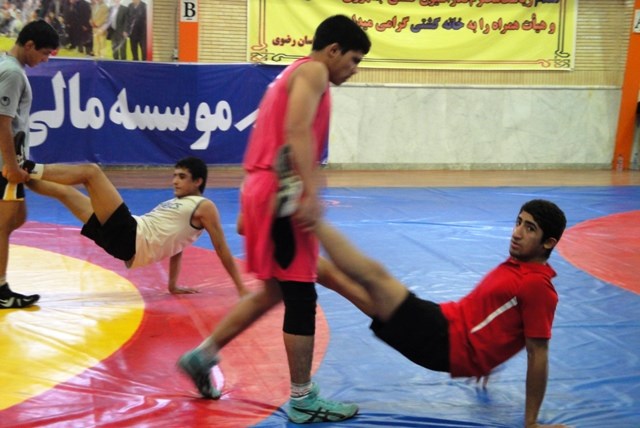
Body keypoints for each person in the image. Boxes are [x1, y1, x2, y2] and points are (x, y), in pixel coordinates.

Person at [177, 15, 371, 424]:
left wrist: (253, 204)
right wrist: (310, 192)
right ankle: (302, 398)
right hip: (282, 191)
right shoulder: (314, 72)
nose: (354, 70)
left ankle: (202, 355)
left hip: (263, 187)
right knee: (300, 294)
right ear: (333, 50)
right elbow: (297, 130)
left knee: (273, 291)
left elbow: (273, 137)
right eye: (354, 60)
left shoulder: (291, 73)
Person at [313, 199, 569, 428]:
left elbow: (538, 352)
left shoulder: (536, 286)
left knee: (373, 276)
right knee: (342, 283)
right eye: (518, 222)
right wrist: (486, 356)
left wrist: (531, 422)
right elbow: (498, 316)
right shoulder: (519, 265)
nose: (517, 233)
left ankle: (309, 218)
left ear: (548, 243)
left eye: (529, 228)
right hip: (442, 325)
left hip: (443, 338)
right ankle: (299, 256)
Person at [21, 157, 249, 296]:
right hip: (124, 243)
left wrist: (240, 287)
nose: (174, 181)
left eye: (182, 176)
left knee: (91, 172)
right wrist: (172, 285)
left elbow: (221, 248)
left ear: (198, 181)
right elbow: (177, 246)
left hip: (131, 236)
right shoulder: (179, 205)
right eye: (174, 176)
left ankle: (29, 167)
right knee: (65, 192)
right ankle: (19, 176)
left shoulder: (204, 206)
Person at [0, 19, 59, 309]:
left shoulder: (8, 65)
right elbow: (2, 122)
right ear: (30, 45)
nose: (45, 59)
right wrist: (11, 166)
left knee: (16, 218)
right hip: (5, 163)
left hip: (10, 160)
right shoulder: (12, 72)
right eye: (44, 53)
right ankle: (1, 291)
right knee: (3, 225)